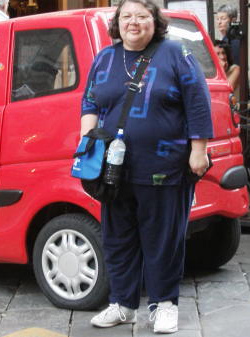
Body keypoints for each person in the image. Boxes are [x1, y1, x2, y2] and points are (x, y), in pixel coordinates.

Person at [81, 0, 213, 334]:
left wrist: (199, 150)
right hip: (113, 170)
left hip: (164, 165)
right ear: (118, 22)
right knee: (118, 239)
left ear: (155, 21)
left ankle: (164, 305)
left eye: (142, 16)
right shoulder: (105, 58)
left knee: (162, 240)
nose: (133, 22)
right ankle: (123, 305)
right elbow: (90, 102)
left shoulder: (175, 54)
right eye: (127, 16)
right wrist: (87, 145)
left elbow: (197, 101)